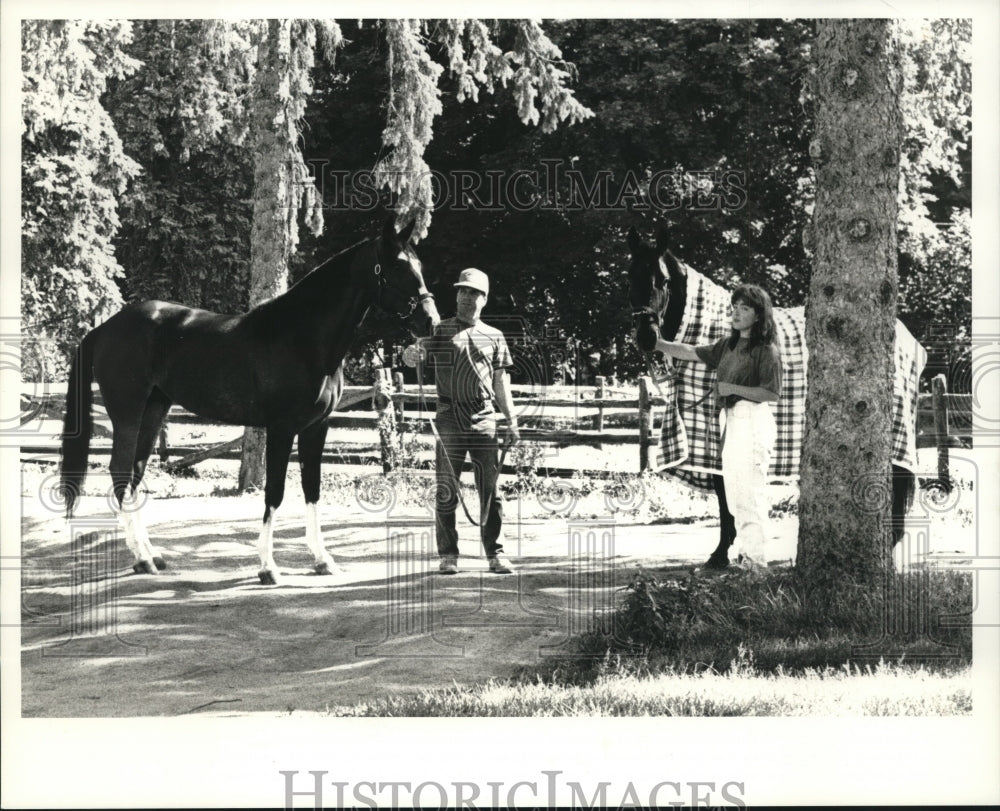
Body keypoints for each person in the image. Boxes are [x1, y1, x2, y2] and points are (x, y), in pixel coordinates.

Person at [656, 285, 783, 565]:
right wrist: (659, 344)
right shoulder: (727, 345)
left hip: (754, 420)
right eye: (735, 307)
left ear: (759, 316)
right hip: (732, 421)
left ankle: (756, 562)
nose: (736, 313)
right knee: (735, 492)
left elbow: (772, 393)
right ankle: (744, 555)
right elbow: (691, 351)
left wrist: (731, 388)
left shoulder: (766, 350)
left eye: (745, 308)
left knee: (751, 492)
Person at [423, 268, 521, 574]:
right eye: (461, 291)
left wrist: (512, 420)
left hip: (484, 417)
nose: (466, 297)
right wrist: (410, 355)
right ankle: (448, 554)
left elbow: (501, 382)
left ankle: (496, 554)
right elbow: (415, 354)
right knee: (446, 487)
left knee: (490, 489)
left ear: (484, 299)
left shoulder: (495, 336)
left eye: (473, 292)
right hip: (449, 416)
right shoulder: (439, 330)